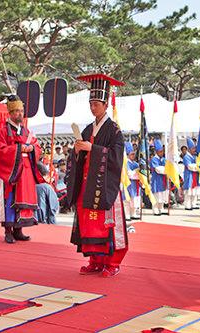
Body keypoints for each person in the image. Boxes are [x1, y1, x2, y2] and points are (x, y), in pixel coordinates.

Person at [67, 73, 128, 278]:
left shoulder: (114, 129)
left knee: (106, 223)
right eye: (91, 104)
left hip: (104, 185)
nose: (93, 108)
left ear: (105, 105)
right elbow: (79, 154)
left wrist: (93, 148)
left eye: (96, 104)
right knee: (89, 224)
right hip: (87, 183)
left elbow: (116, 156)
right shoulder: (87, 128)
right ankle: (95, 260)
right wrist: (77, 151)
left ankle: (112, 262)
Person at [0, 94, 44, 244]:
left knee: (21, 200)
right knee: (9, 199)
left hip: (25, 172)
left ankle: (19, 229)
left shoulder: (27, 132)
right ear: (10, 113)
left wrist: (32, 148)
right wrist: (20, 148)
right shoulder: (3, 131)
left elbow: (37, 146)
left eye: (21, 111)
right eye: (16, 111)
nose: (20, 114)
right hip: (10, 171)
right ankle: (8, 230)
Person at [150, 139, 168, 216]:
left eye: (162, 151)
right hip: (156, 180)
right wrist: (167, 170)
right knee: (156, 195)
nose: (162, 153)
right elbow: (158, 169)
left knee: (162, 195)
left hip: (163, 180)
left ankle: (161, 208)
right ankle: (155, 209)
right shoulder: (154, 159)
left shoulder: (164, 159)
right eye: (160, 151)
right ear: (156, 152)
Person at [125, 141, 141, 220]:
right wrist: (136, 172)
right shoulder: (126, 163)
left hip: (135, 184)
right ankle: (127, 214)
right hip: (128, 184)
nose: (133, 155)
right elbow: (129, 174)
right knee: (128, 199)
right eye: (131, 154)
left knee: (135, 199)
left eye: (133, 154)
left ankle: (133, 213)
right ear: (127, 155)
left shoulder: (136, 163)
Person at [183, 138, 200, 210]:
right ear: (189, 149)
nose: (194, 150)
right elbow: (190, 166)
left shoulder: (195, 156)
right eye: (193, 148)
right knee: (188, 191)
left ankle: (193, 203)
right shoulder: (186, 157)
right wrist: (198, 167)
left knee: (195, 190)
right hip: (189, 175)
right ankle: (187, 205)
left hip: (195, 176)